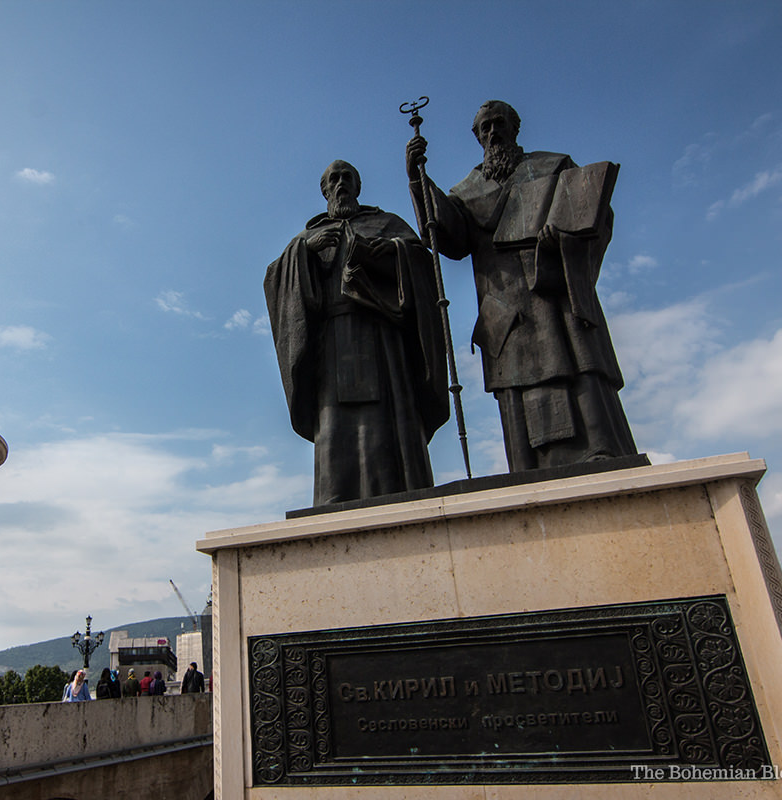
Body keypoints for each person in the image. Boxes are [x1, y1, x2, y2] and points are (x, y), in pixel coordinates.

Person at [406, 101, 637, 472]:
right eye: (484, 127)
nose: (492, 132)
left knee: (577, 364)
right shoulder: (466, 190)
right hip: (503, 303)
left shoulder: (554, 166)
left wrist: (563, 238)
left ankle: (599, 449)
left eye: (499, 124)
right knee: (515, 384)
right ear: (477, 136)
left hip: (554, 290)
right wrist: (418, 179)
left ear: (515, 128)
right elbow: (448, 235)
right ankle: (527, 465)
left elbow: (593, 213)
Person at [266, 160, 449, 505]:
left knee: (389, 427)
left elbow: (422, 262)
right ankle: (337, 502)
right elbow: (274, 278)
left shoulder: (387, 224)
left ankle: (401, 494)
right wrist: (304, 253)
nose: (340, 184)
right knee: (336, 432)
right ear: (324, 191)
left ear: (358, 186)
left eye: (347, 177)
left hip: (384, 344)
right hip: (332, 348)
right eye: (333, 179)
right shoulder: (309, 237)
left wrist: (393, 252)